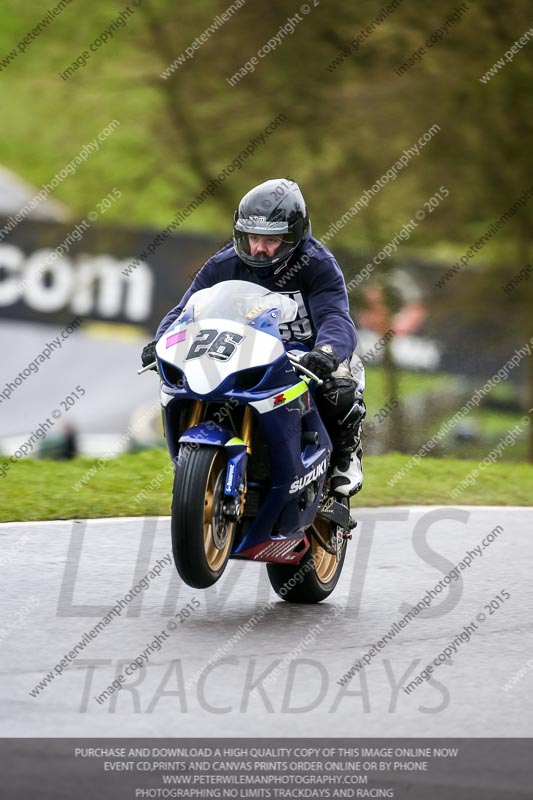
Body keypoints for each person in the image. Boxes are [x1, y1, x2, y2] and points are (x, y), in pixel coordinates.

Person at [141, 179, 365, 496]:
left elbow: (335, 316)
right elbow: (184, 311)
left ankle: (346, 455)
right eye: (252, 238)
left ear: (294, 236)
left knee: (340, 385)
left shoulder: (317, 265)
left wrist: (327, 352)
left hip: (305, 356)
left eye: (271, 240)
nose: (259, 248)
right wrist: (162, 342)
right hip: (243, 352)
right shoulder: (223, 264)